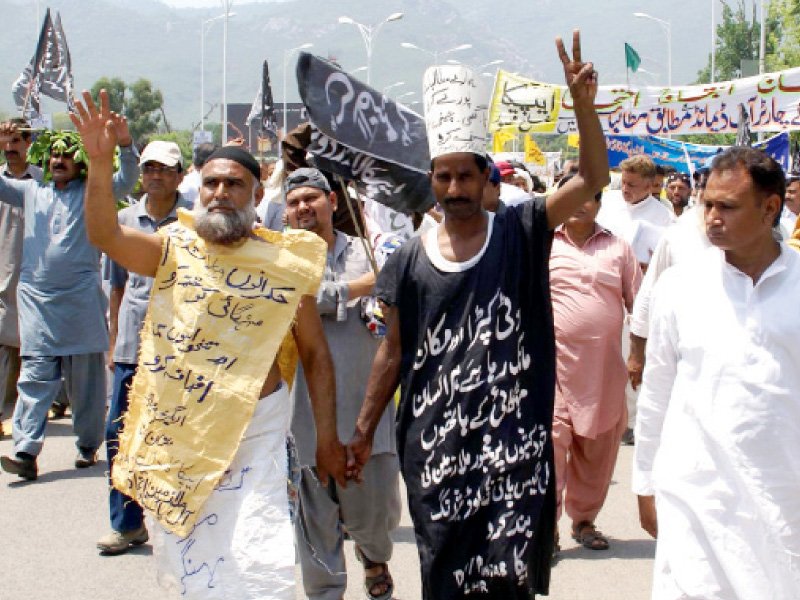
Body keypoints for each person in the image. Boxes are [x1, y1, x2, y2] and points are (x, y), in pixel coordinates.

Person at [346, 31, 609, 599]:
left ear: (486, 177)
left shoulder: (521, 229)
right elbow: (392, 349)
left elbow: (591, 178)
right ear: (431, 181)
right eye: (443, 176)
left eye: (466, 174)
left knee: (507, 577)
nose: (455, 187)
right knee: (444, 571)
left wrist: (583, 108)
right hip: (437, 446)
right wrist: (364, 429)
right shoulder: (411, 258)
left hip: (512, 445)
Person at [73, 89, 346, 599]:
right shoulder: (171, 249)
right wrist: (98, 161)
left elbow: (315, 355)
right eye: (212, 183)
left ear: (258, 190)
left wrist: (327, 439)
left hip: (258, 439)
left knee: (260, 565)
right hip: (184, 439)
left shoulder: (285, 265)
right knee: (197, 575)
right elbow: (106, 234)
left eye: (234, 184)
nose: (220, 192)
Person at [633, 147, 800, 598]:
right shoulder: (681, 285)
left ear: (770, 208)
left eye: (726, 206)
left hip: (782, 497)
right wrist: (644, 479)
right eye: (707, 203)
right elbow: (657, 390)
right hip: (695, 493)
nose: (710, 217)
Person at [0, 119, 139, 481]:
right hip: (37, 300)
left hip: (81, 300)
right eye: (54, 155)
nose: (58, 161)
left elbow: (125, 180)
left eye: (66, 156)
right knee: (34, 376)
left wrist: (124, 145)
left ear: (80, 160)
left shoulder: (94, 190)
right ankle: (25, 451)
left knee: (87, 384)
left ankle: (88, 443)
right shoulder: (32, 191)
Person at [285, 168, 401, 600]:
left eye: (311, 199)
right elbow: (302, 300)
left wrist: (379, 291)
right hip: (306, 415)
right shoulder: (282, 258)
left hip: (367, 408)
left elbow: (395, 299)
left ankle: (374, 557)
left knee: (375, 513)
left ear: (333, 202)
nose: (302, 209)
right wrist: (357, 289)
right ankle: (324, 591)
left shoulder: (371, 252)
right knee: (313, 515)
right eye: (294, 202)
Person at [96, 140, 193, 555]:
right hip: (133, 347)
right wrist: (114, 341)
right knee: (121, 435)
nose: (155, 175)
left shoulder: (195, 219)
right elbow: (117, 288)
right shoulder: (122, 220)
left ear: (179, 174)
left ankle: (187, 523)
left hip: (183, 348)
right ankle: (127, 524)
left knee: (182, 434)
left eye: (164, 169)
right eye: (149, 167)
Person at [549, 177, 641, 554]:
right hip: (551, 368)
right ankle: (546, 527)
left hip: (602, 371)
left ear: (600, 205)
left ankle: (584, 520)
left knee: (598, 450)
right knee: (549, 447)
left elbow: (641, 305)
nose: (580, 205)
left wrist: (639, 355)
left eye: (589, 199)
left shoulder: (618, 248)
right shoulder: (542, 245)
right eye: (572, 197)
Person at [0, 118, 42, 438]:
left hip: (35, 274)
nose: (11, 148)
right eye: (5, 141)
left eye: (17, 141)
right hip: (2, 270)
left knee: (28, 343)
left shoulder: (42, 182)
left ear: (29, 143)